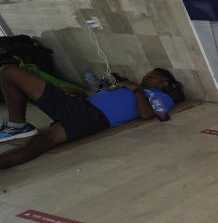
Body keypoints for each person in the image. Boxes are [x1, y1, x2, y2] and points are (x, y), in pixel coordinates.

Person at [0, 65, 183, 168]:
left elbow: (146, 115)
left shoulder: (162, 97)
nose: (146, 75)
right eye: (147, 72)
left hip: (92, 118)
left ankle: (16, 131)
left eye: (152, 76)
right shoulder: (131, 87)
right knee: (8, 73)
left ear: (164, 83)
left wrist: (136, 90)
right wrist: (80, 94)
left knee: (39, 142)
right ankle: (17, 126)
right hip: (79, 106)